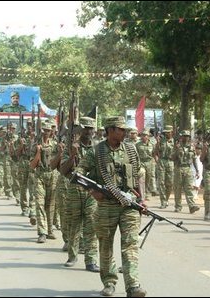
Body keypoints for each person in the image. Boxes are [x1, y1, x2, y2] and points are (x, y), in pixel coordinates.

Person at [76, 116, 147, 297]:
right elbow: (79, 175)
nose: (125, 133)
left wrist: (142, 200)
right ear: (110, 130)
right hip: (107, 205)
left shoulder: (131, 150)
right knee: (106, 245)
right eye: (121, 129)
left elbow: (139, 174)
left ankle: (133, 285)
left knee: (130, 245)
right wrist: (93, 192)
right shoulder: (96, 151)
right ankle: (109, 282)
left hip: (129, 205)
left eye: (125, 130)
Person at [60, 116, 99, 273]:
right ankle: (72, 256)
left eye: (91, 128)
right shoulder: (70, 147)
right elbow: (63, 170)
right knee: (74, 224)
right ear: (80, 130)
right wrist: (72, 155)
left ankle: (91, 260)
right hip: (75, 189)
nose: (89, 131)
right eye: (86, 128)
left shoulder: (98, 148)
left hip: (91, 191)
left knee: (91, 226)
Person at [172, 130, 200, 213]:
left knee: (189, 188)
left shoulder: (192, 147)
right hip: (179, 168)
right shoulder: (177, 146)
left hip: (188, 169)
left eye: (187, 136)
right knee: (178, 188)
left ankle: (192, 206)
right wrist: (176, 150)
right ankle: (178, 206)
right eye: (184, 136)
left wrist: (197, 170)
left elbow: (194, 159)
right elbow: (172, 158)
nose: (185, 137)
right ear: (181, 137)